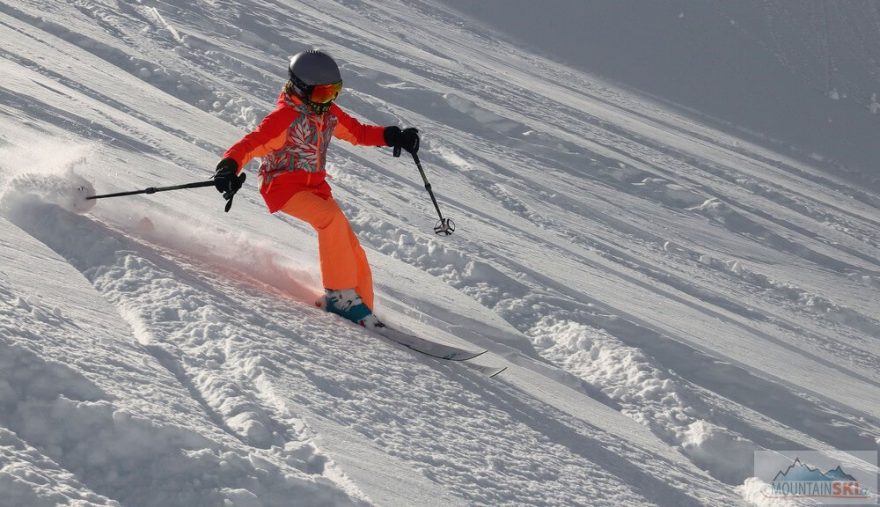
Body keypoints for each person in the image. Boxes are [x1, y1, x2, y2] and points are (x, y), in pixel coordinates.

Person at [213, 49, 419, 328]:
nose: (329, 100)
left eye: (334, 92)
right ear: (302, 88)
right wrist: (229, 166)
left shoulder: (328, 113)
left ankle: (361, 307)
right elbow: (252, 143)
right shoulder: (284, 117)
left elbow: (358, 132)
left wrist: (392, 136)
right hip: (283, 187)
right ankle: (340, 297)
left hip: (315, 187)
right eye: (323, 94)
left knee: (350, 244)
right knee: (330, 220)